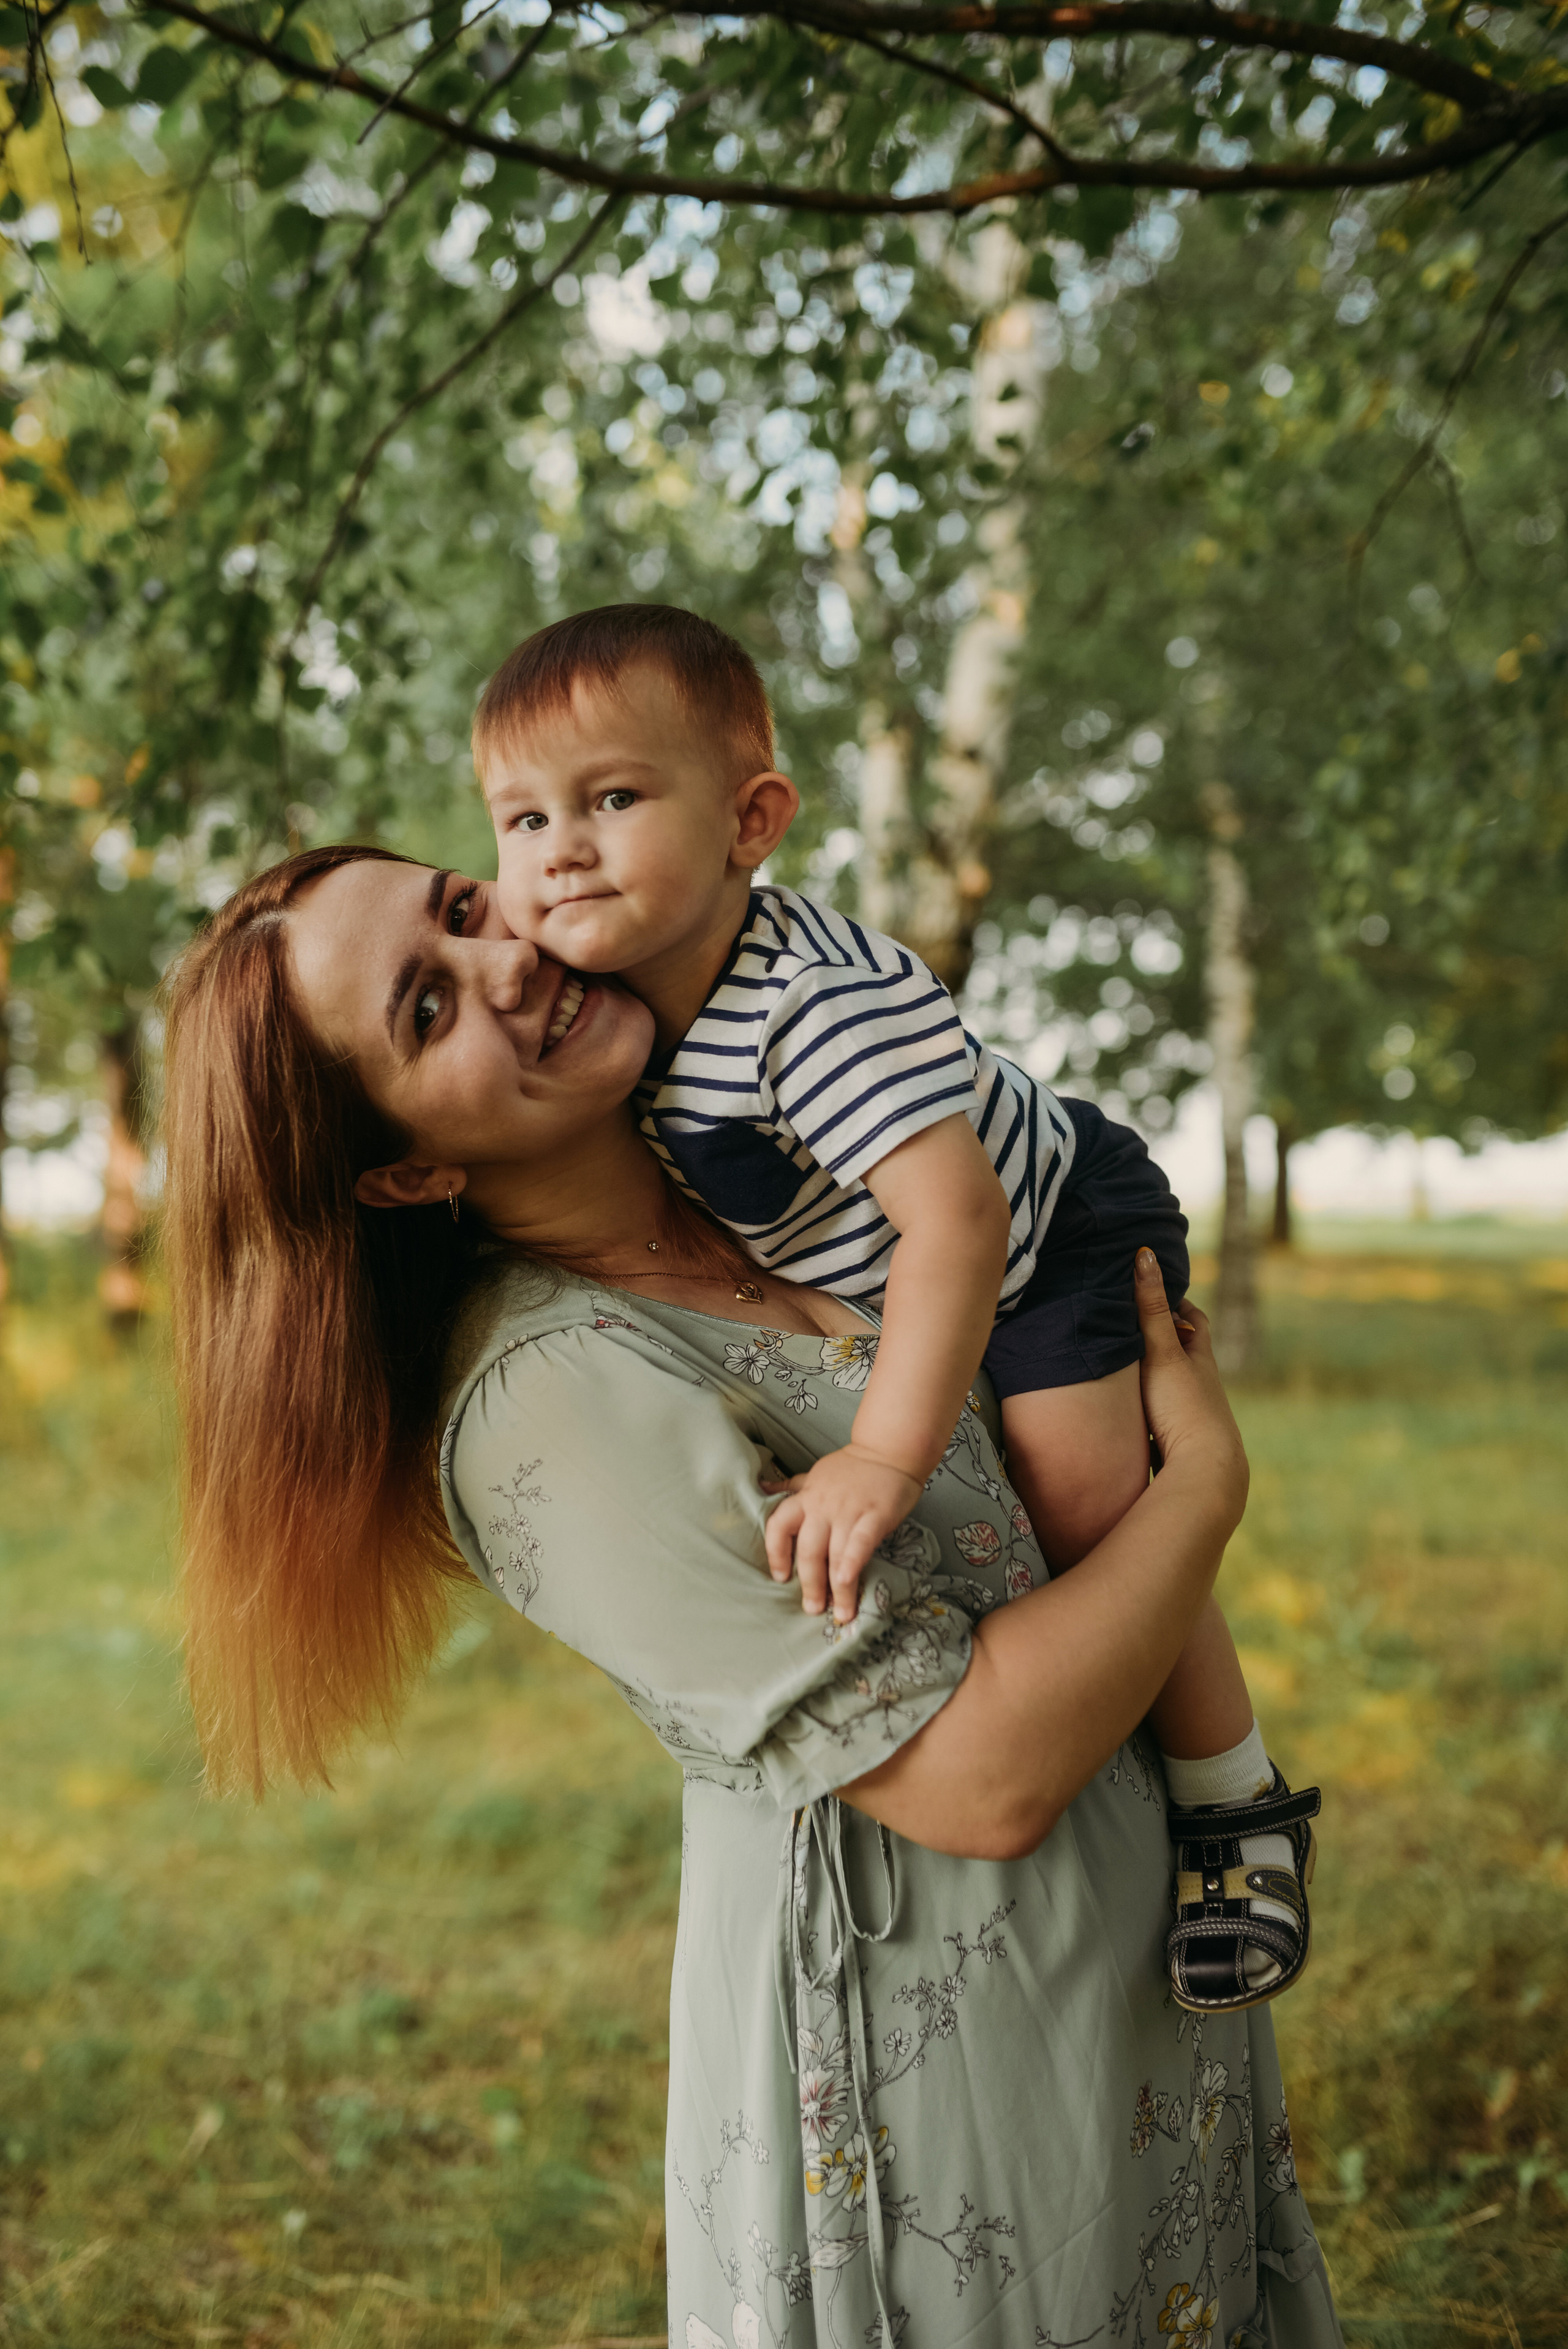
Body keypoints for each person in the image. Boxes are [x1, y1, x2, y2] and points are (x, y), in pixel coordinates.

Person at [161, 842, 1341, 2349]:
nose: (503, 963)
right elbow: (978, 1780)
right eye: (427, 1009)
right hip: (942, 2067)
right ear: (407, 1170)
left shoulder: (790, 1180)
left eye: (461, 910)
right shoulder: (547, 1403)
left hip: (1139, 1968)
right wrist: (1202, 1496)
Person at [471, 605, 1317, 2014]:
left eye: (612, 799)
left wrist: (881, 1454)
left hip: (1048, 1224)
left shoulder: (808, 1007)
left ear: (751, 821)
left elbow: (961, 1217)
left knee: (1087, 1496)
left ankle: (1237, 1802)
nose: (558, 847)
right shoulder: (608, 995)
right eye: (518, 818)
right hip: (910, 1253)